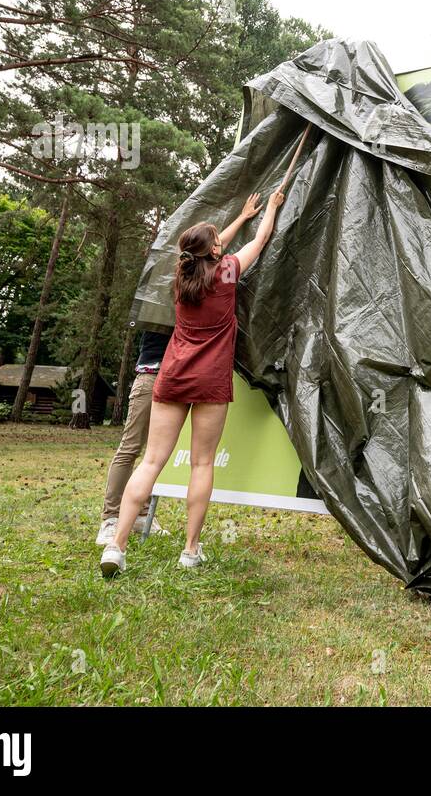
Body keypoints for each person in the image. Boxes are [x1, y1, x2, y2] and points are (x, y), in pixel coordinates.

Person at [99, 189, 284, 577]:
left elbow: (211, 251)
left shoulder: (182, 279)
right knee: (202, 464)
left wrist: (238, 217)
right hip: (210, 380)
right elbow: (261, 240)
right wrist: (268, 210)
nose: (222, 244)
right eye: (217, 241)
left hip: (173, 375)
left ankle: (116, 546)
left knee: (150, 461)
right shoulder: (228, 273)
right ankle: (190, 550)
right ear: (214, 252)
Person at [95, 329, 171, 545]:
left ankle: (142, 515)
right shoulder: (156, 299)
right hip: (152, 375)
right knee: (130, 448)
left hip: (179, 377)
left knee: (155, 454)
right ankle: (110, 518)